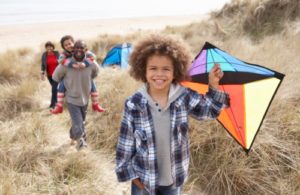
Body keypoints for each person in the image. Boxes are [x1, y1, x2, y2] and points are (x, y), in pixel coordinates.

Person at [115, 34, 229, 195]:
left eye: (166, 69)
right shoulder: (133, 103)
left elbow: (208, 111)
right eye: (153, 68)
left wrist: (213, 85)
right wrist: (130, 174)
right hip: (143, 177)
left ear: (176, 71)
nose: (159, 74)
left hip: (173, 178)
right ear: (143, 70)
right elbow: (125, 142)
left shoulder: (184, 96)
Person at [53, 40, 99, 150]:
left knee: (80, 122)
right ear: (73, 50)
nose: (79, 50)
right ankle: (82, 146)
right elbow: (55, 77)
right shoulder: (65, 64)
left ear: (85, 49)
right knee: (79, 124)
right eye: (76, 48)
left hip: (85, 99)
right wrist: (66, 83)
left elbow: (95, 74)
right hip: (72, 100)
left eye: (81, 48)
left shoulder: (92, 64)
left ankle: (73, 136)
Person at [51, 35, 105, 114]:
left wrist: (85, 63)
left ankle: (95, 104)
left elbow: (93, 56)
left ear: (74, 43)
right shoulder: (64, 54)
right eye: (65, 45)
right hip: (69, 75)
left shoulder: (80, 48)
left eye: (70, 43)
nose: (68, 46)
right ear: (63, 47)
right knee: (61, 86)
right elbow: (61, 60)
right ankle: (59, 105)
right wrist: (71, 64)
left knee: (92, 85)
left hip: (83, 74)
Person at [40, 41, 60, 109]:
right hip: (49, 75)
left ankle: (52, 105)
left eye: (50, 47)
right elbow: (43, 65)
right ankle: (58, 102)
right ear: (46, 48)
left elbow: (61, 62)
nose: (49, 48)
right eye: (47, 47)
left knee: (54, 89)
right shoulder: (44, 55)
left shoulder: (57, 53)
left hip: (57, 74)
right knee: (55, 89)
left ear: (53, 47)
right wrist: (42, 74)